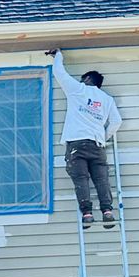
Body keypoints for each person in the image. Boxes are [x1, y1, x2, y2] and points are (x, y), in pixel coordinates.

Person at [49, 50, 122, 228]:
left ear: (88, 79)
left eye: (83, 79)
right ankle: (107, 212)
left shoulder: (78, 90)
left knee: (81, 179)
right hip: (97, 145)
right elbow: (116, 121)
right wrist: (103, 137)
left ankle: (87, 214)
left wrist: (58, 55)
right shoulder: (107, 99)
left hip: (77, 144)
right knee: (102, 180)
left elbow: (59, 72)